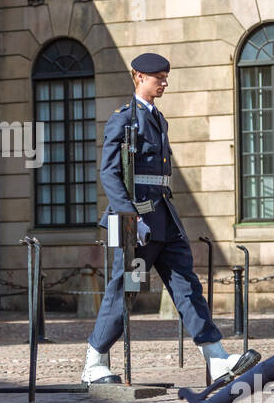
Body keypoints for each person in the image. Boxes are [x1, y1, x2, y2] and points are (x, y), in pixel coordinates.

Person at [82, 52, 252, 385]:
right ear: (138, 77)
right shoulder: (123, 119)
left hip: (163, 218)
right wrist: (130, 218)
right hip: (137, 224)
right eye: (158, 76)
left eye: (165, 76)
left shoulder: (159, 119)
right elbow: (110, 174)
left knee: (187, 285)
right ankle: (94, 362)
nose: (164, 82)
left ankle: (216, 358)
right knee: (125, 290)